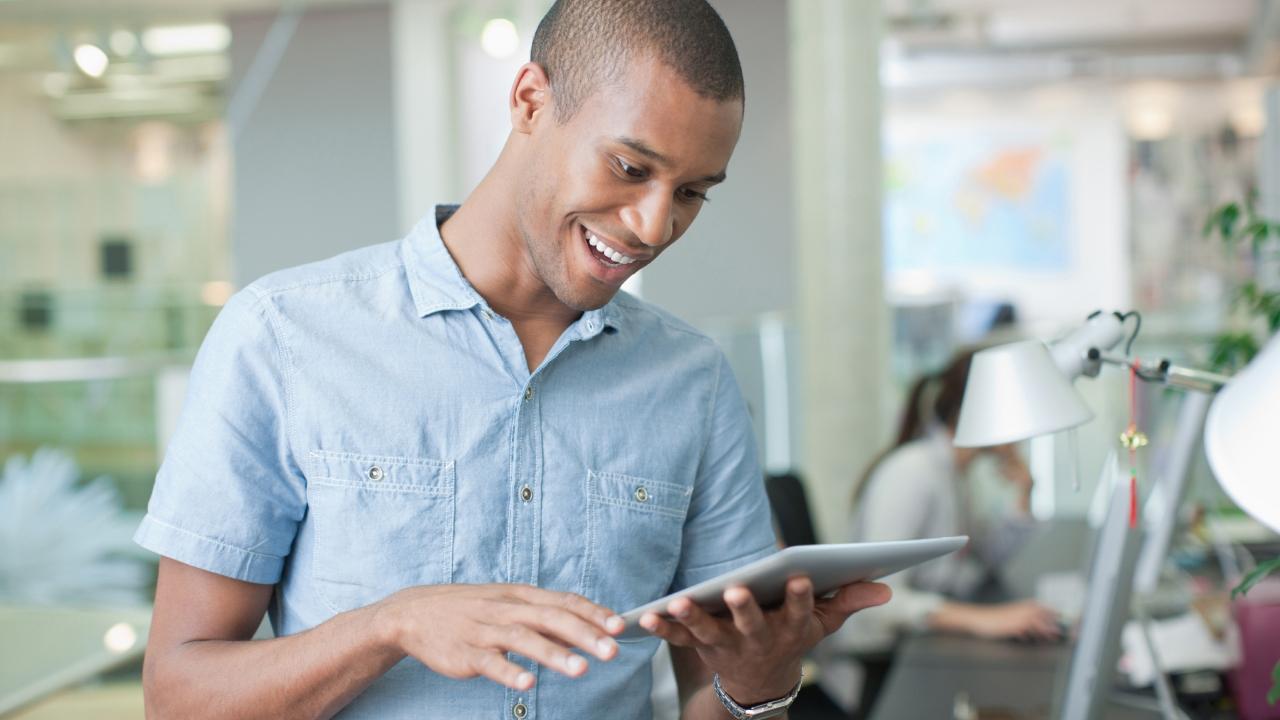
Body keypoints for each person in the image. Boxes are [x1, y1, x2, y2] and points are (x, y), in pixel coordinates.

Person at [133, 2, 890, 718]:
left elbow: (721, 700)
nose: (654, 226)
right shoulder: (283, 337)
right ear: (530, 100)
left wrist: (759, 684)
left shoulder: (693, 383)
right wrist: (388, 626)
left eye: (692, 191)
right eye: (630, 167)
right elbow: (179, 696)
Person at [838, 349, 1062, 650]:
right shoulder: (913, 472)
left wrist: (1025, 492)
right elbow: (876, 600)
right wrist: (988, 620)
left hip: (922, 641)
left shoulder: (958, 473)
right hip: (882, 656)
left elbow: (986, 557)